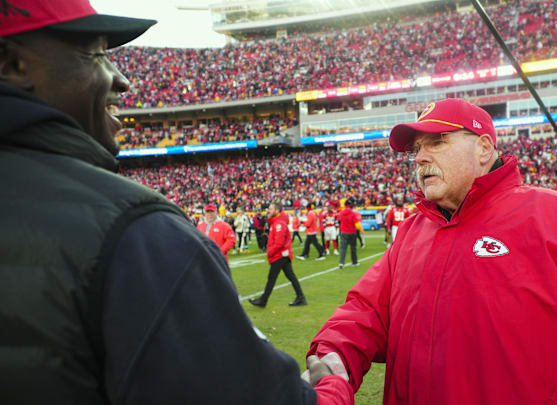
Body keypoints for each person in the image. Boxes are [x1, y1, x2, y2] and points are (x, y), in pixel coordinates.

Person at [0, 2, 352, 403]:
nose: (121, 79)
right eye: (96, 54)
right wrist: (331, 386)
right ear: (12, 64)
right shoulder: (136, 231)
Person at [307, 99, 557, 404]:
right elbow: (365, 312)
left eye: (437, 142)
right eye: (418, 148)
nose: (420, 157)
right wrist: (334, 356)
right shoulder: (412, 232)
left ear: (484, 148)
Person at [249, 202, 307, 307]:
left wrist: (270, 252)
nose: (268, 211)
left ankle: (263, 301)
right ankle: (301, 297)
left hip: (279, 255)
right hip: (282, 254)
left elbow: (279, 243)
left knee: (272, 278)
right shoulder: (276, 222)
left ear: (277, 211)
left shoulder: (279, 223)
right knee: (290, 276)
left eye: (270, 209)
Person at [337, 198, 362, 268]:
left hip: (343, 232)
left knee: (343, 248)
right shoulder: (352, 213)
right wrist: (361, 230)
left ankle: (341, 263)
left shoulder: (341, 213)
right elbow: (356, 223)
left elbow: (339, 220)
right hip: (351, 232)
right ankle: (354, 262)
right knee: (353, 248)